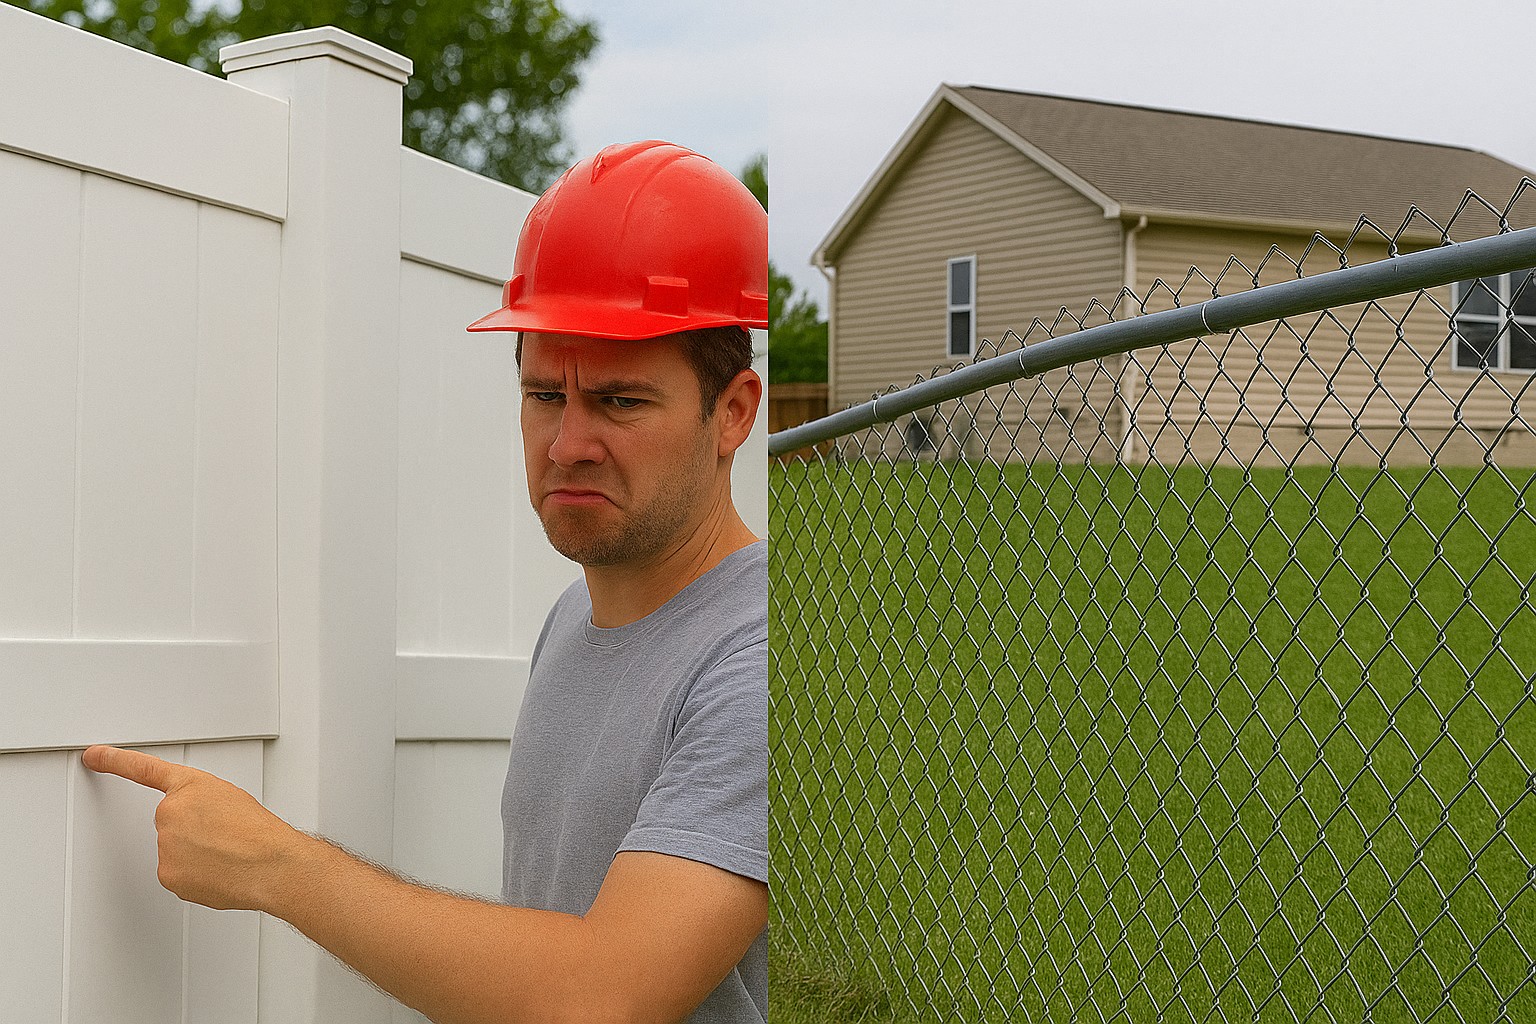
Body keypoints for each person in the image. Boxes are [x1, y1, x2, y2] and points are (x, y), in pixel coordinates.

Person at [83, 139, 770, 1024]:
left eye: (621, 401)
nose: (567, 445)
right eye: (545, 398)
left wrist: (274, 865)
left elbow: (606, 994)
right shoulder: (573, 619)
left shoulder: (758, 662)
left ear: (735, 413)